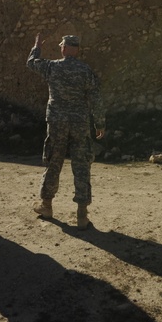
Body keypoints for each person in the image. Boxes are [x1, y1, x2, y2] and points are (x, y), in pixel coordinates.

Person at [27, 34, 105, 229]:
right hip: (79, 122)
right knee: (81, 164)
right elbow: (96, 97)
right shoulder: (86, 71)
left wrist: (36, 47)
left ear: (63, 49)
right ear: (77, 49)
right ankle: (81, 215)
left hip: (57, 122)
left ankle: (46, 206)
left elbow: (31, 62)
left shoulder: (52, 67)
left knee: (54, 161)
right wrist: (100, 123)